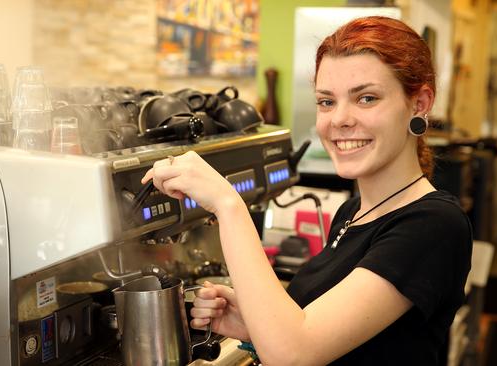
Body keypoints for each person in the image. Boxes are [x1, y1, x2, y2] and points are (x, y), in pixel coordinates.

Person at [142, 16, 472, 365]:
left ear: (419, 103)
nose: (339, 119)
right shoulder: (353, 213)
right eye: (327, 102)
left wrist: (227, 204)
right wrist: (258, 325)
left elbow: (294, 356)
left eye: (367, 98)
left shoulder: (434, 224)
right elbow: (328, 338)